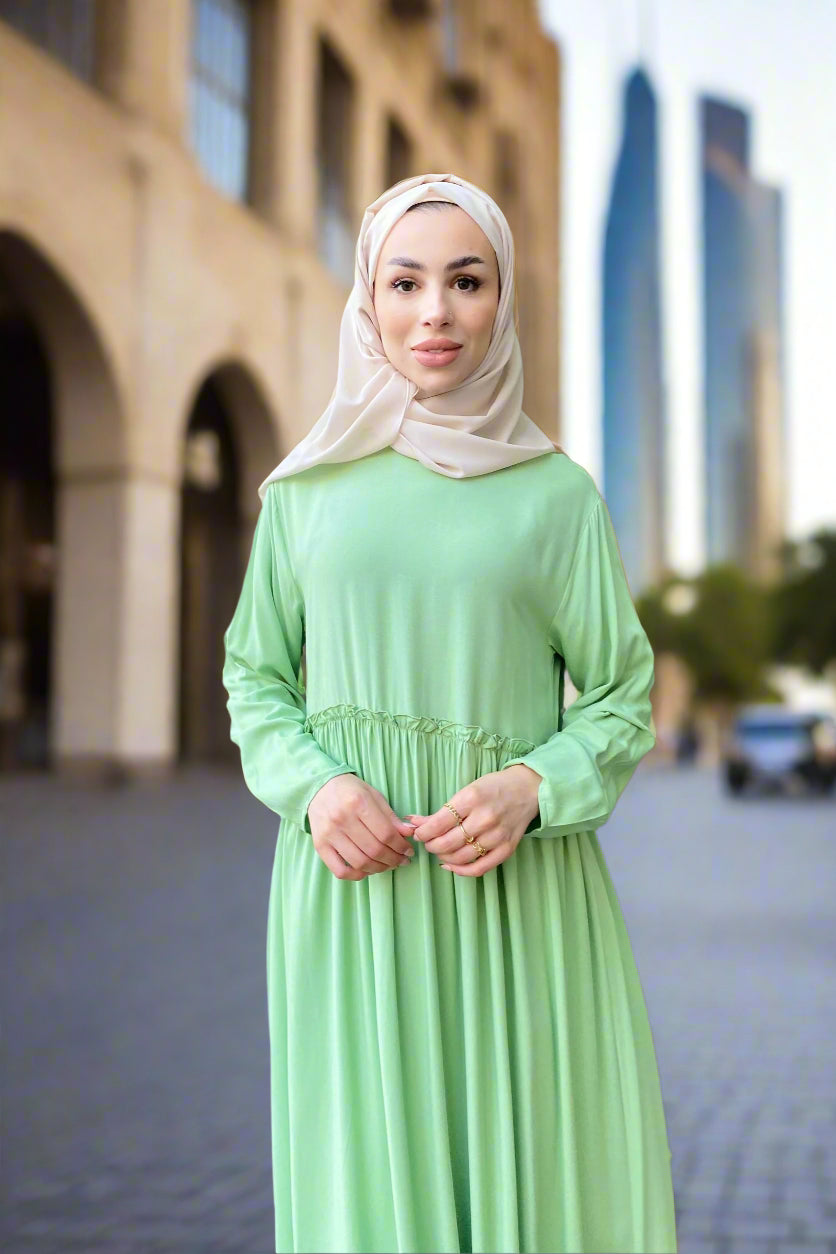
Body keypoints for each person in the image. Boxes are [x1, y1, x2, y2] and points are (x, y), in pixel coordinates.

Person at [223, 173, 677, 1254]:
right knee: (369, 1192)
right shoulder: (302, 495)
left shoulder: (555, 495)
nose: (435, 311)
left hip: (519, 894)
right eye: (406, 281)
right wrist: (318, 788)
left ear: (499, 299)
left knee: (534, 1184)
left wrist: (533, 787)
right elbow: (255, 680)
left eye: (465, 281)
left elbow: (619, 694)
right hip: (350, 892)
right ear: (367, 303)